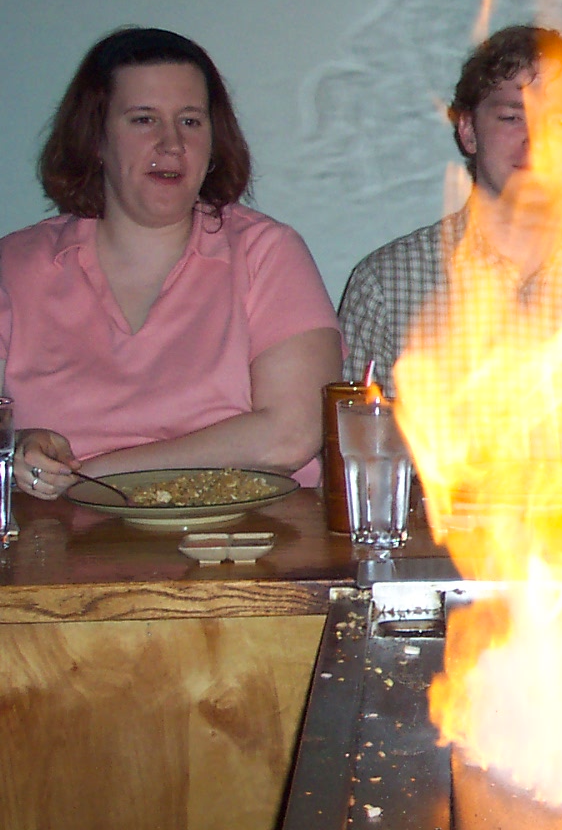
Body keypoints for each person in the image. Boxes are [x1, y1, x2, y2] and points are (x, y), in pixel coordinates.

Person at [5, 27, 342, 499]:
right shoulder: (14, 266)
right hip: (61, 536)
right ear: (96, 139)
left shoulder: (268, 252)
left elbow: (292, 435)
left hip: (247, 534)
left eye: (190, 121)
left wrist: (93, 476)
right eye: (143, 120)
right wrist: (17, 447)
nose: (171, 144)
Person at [337, 25, 562, 469]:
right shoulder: (386, 284)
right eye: (512, 117)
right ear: (468, 131)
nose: (534, 140)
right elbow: (354, 466)